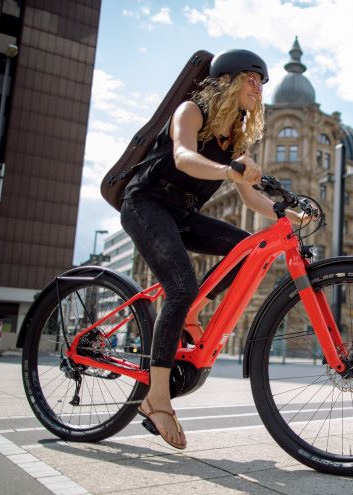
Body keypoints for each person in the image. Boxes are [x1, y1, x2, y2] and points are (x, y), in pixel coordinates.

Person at [120, 49, 308, 450]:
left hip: (183, 213)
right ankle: (156, 399)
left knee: (246, 247)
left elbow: (252, 199)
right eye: (251, 79)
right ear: (227, 80)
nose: (258, 89)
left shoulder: (235, 136)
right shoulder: (191, 111)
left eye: (261, 83)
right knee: (181, 286)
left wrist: (291, 215)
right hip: (147, 204)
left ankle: (191, 311)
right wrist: (227, 169)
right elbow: (184, 157)